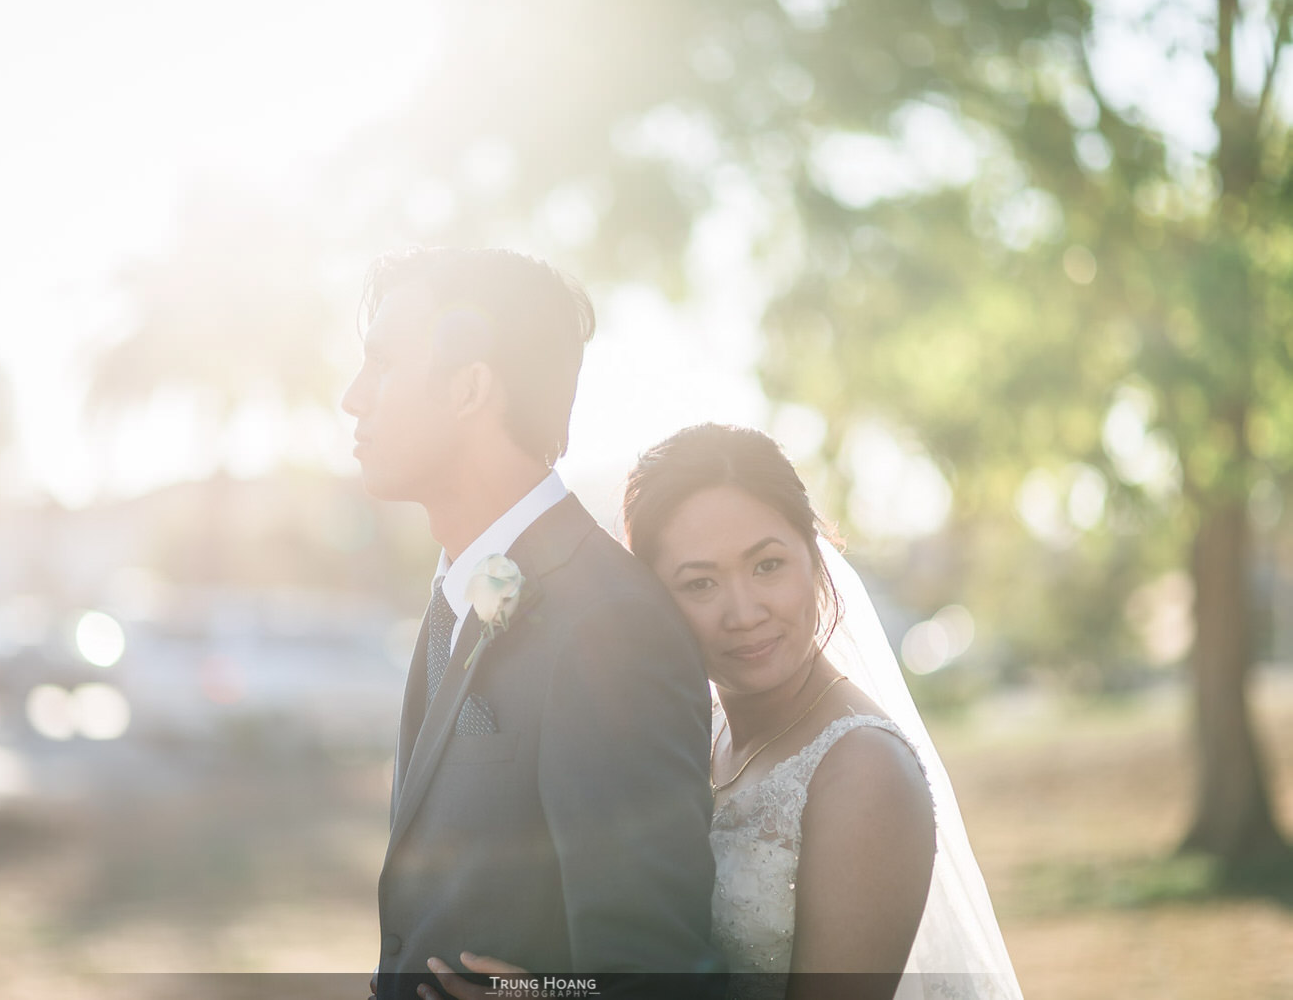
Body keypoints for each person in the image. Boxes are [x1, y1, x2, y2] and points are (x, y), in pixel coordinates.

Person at [425, 424, 1024, 1000]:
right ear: (652, 599)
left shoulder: (865, 772)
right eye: (700, 584)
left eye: (767, 566)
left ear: (814, 558)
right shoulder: (690, 729)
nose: (744, 612)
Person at [341, 249, 724, 1000]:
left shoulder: (608, 624)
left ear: (470, 388)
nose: (354, 398)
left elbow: (661, 974)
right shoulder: (457, 591)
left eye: (381, 365)